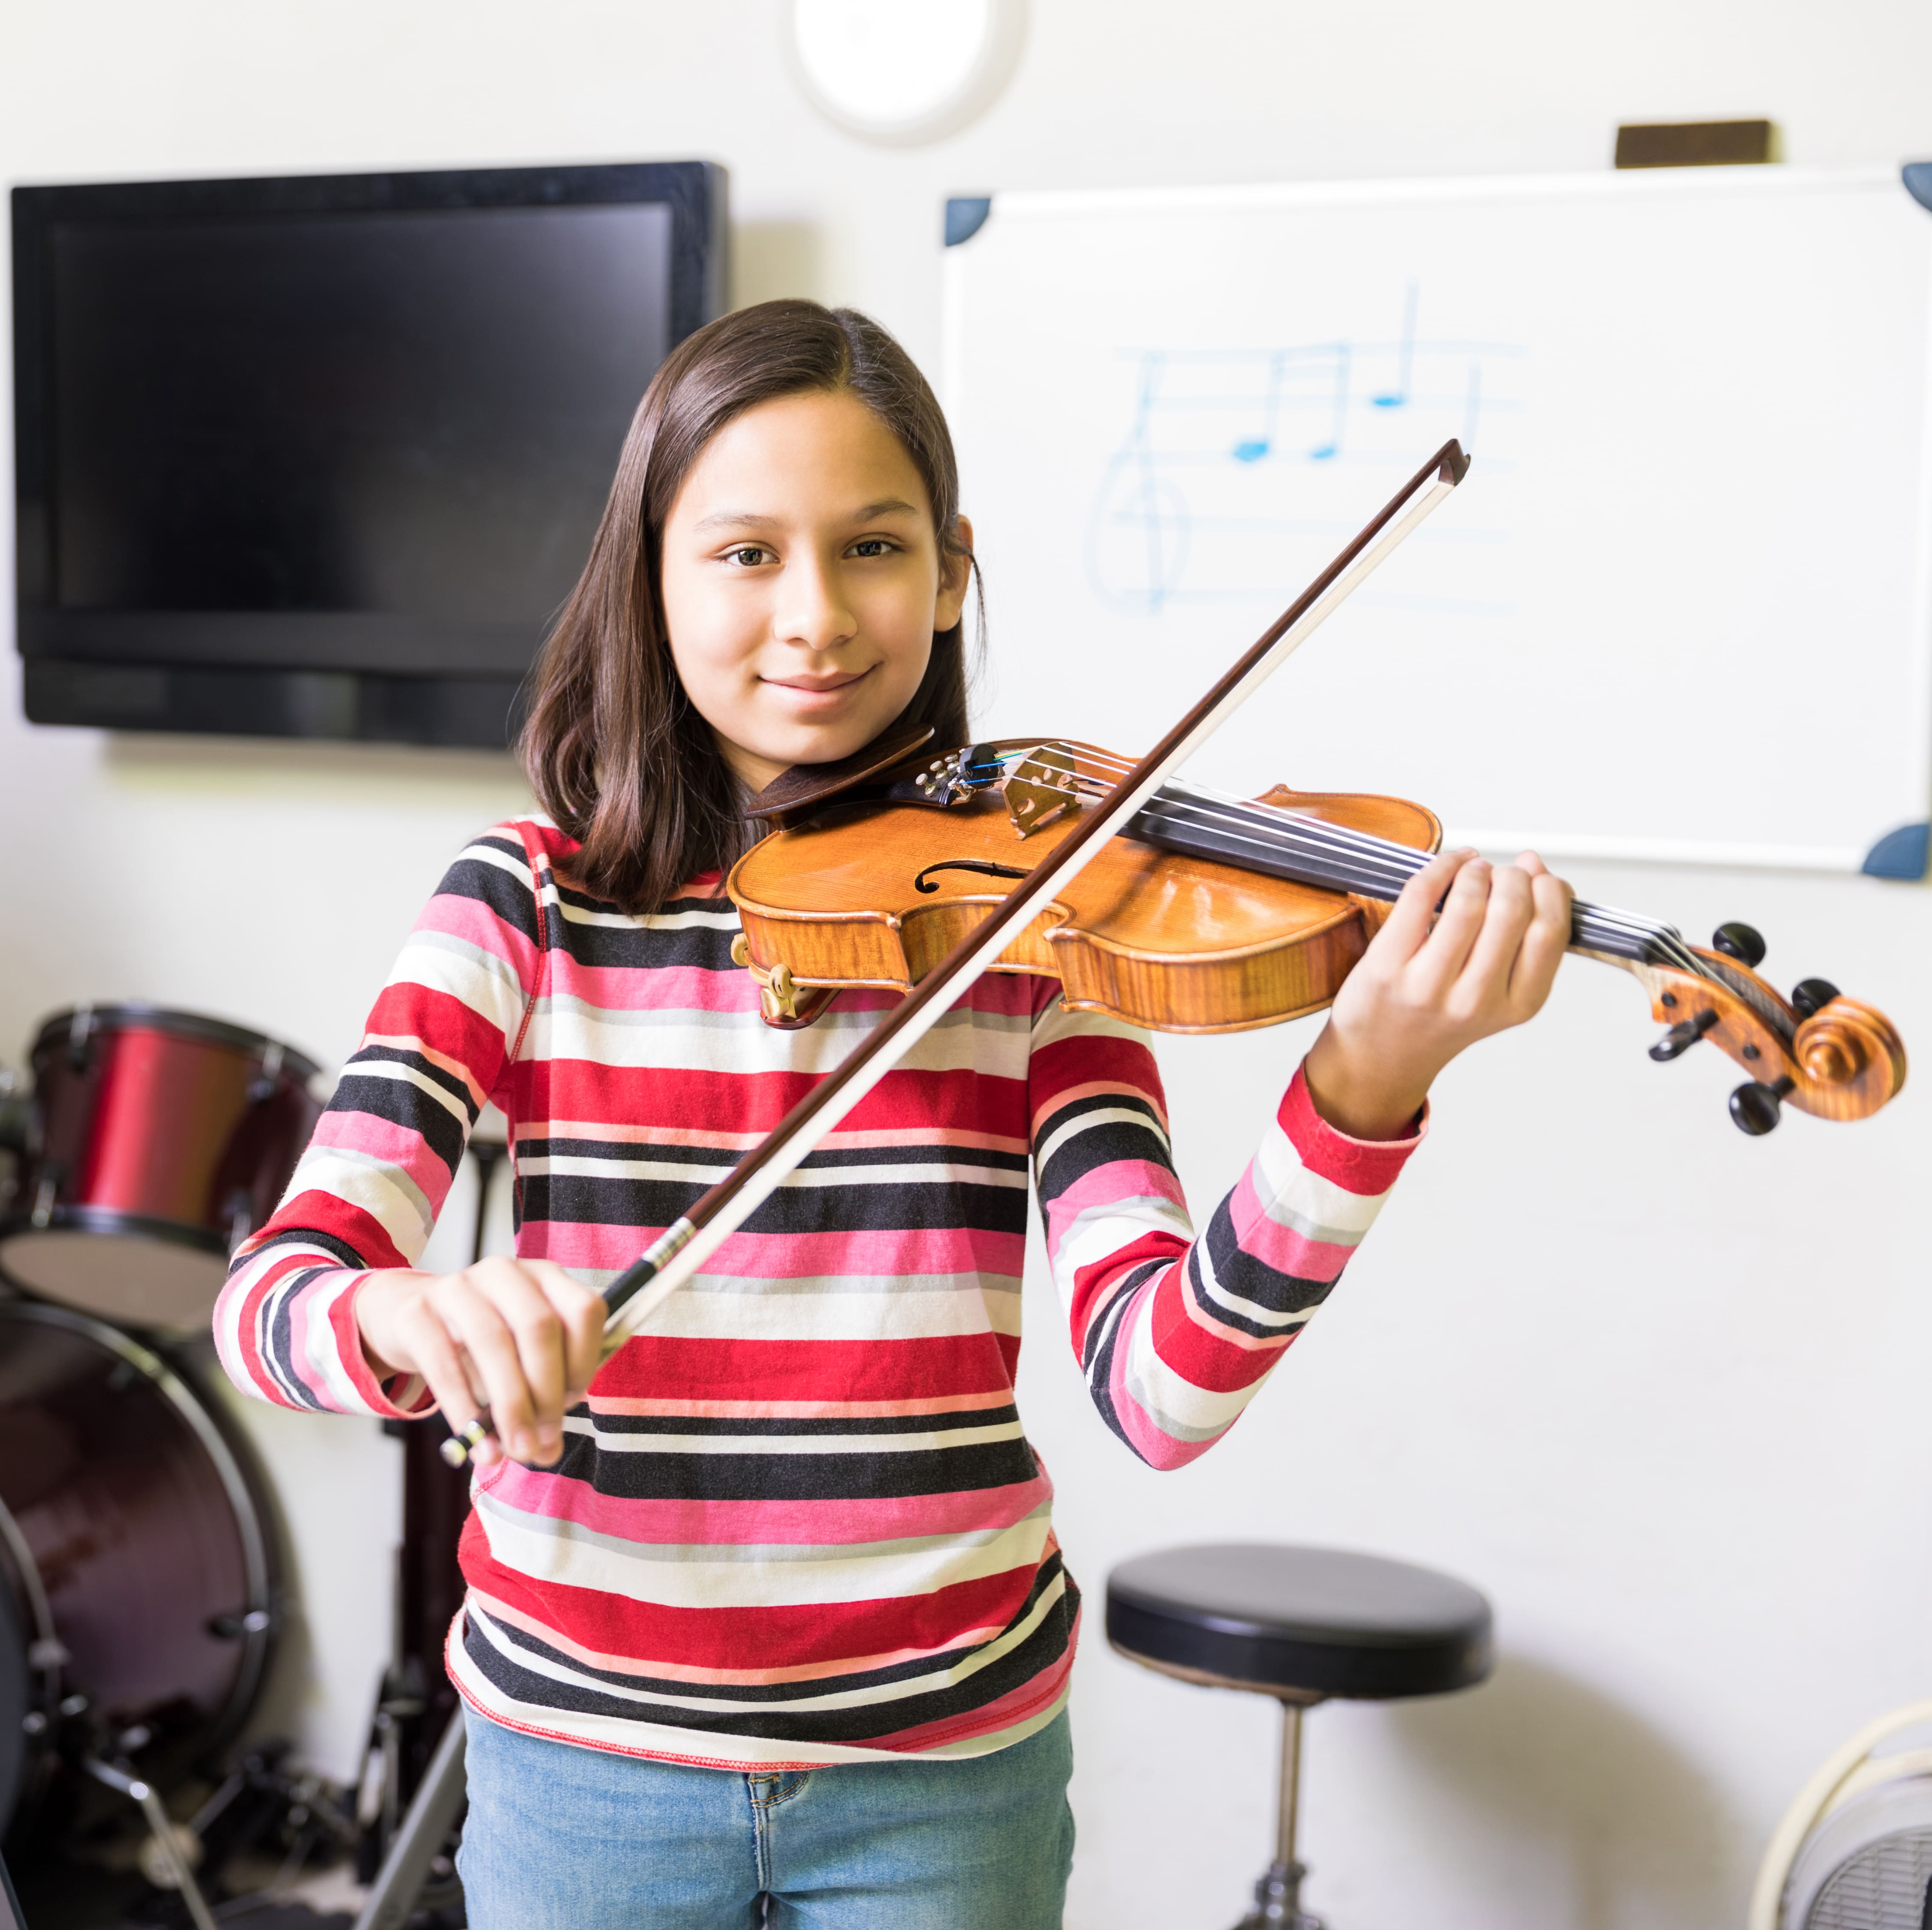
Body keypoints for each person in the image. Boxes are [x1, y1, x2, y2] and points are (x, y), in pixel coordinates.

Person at [215, 301, 1573, 1927]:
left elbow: (1163, 1394)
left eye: (871, 547)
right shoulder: (527, 904)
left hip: (943, 1780)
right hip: (588, 1770)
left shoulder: (1037, 929)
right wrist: (410, 1309)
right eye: (743, 555)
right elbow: (269, 1304)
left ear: (948, 573)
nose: (813, 618)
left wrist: (1363, 1084)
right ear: (651, 572)